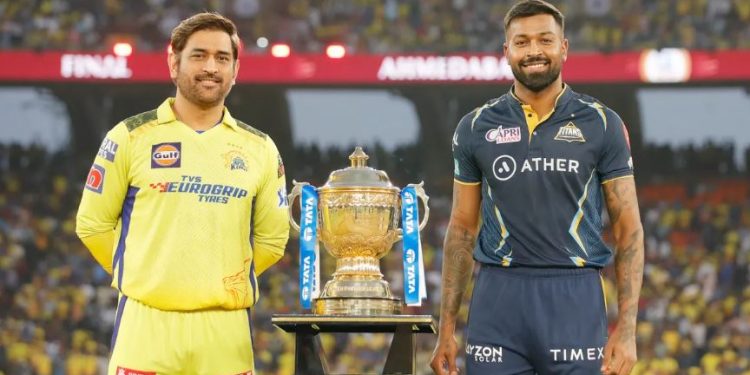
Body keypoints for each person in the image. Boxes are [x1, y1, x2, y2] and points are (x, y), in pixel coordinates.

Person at [430, 1, 644, 375]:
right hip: (498, 297)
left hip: (573, 295)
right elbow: (462, 228)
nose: (533, 51)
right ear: (506, 51)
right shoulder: (475, 126)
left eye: (545, 40)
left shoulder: (602, 123)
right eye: (522, 42)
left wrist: (626, 330)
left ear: (564, 47)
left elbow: (628, 230)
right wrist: (445, 328)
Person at [75, 12, 289, 375]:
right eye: (198, 55)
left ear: (235, 70)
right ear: (173, 62)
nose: (211, 67)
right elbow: (92, 225)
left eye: (223, 58)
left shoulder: (260, 149)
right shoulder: (130, 137)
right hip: (147, 324)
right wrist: (149, 270)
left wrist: (218, 278)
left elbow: (273, 238)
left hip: (225, 329)